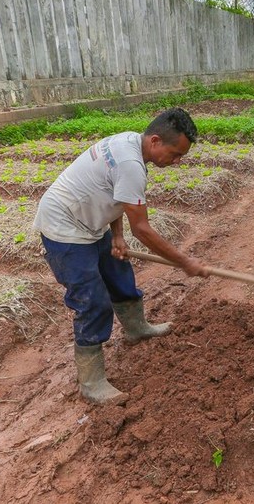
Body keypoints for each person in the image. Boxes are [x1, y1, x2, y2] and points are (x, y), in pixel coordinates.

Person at [33, 108, 209, 405]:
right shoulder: (131, 165)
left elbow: (115, 196)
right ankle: (91, 382)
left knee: (119, 273)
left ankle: (136, 328)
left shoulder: (130, 142)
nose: (177, 161)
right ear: (155, 141)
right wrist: (185, 262)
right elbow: (142, 229)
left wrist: (116, 235)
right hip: (64, 230)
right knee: (92, 301)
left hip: (89, 222)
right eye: (176, 154)